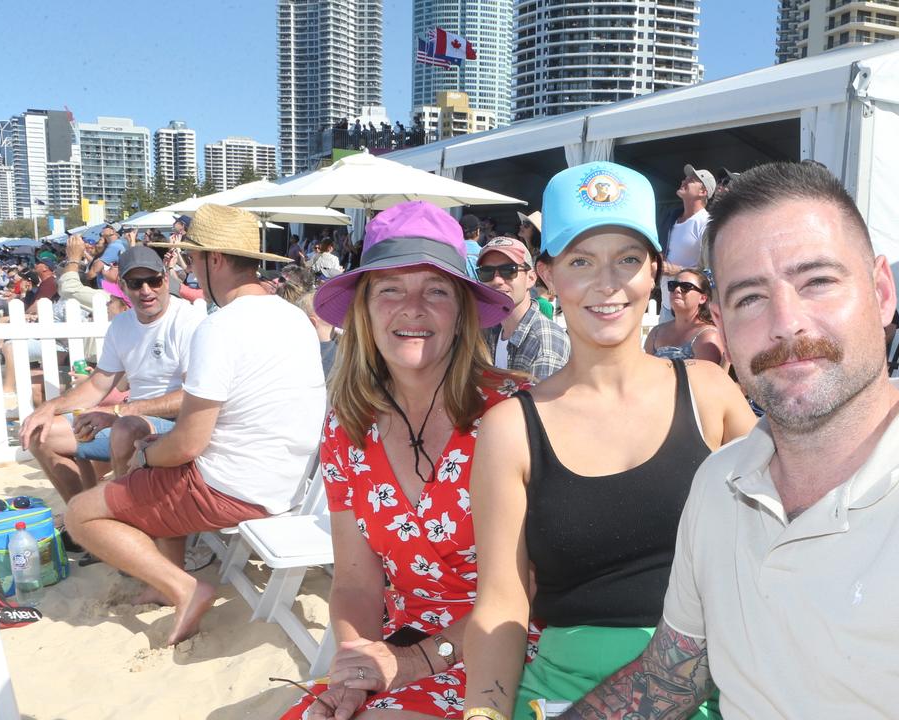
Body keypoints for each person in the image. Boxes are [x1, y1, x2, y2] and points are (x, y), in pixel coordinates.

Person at [554, 160, 899, 719]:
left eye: (817, 282)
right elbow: (668, 679)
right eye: (750, 298)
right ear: (722, 324)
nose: (787, 322)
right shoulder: (721, 481)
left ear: (882, 292)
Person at [463, 161, 757, 720]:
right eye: (580, 261)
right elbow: (502, 598)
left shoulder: (708, 394)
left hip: (711, 683)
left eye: (626, 259)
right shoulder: (511, 429)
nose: (607, 283)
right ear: (547, 275)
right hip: (563, 693)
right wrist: (485, 712)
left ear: (654, 271)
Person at [280, 202, 534, 720]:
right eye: (390, 289)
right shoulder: (347, 426)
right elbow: (354, 580)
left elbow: (534, 584)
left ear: (462, 311)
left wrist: (419, 661)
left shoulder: (513, 415)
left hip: (508, 645)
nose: (412, 307)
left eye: (436, 290)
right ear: (364, 310)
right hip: (401, 643)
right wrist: (353, 667)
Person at [64, 203, 325, 645]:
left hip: (234, 489)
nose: (190, 269)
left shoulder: (219, 327)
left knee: (80, 514)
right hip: (290, 484)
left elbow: (187, 444)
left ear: (215, 260)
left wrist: (143, 456)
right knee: (161, 467)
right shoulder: (293, 318)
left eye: (193, 259)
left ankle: (184, 587)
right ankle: (171, 580)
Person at [20, 246, 205, 504]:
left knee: (125, 428)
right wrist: (49, 407)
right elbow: (97, 384)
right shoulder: (122, 324)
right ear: (122, 285)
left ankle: (118, 518)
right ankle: (84, 519)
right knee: (42, 433)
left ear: (165, 278)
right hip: (134, 418)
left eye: (153, 281)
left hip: (177, 424)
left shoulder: (187, 320)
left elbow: (193, 397)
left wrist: (120, 412)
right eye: (136, 282)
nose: (146, 290)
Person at [477, 236, 570, 381]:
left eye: (509, 270)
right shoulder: (489, 331)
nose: (496, 280)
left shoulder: (544, 343)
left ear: (531, 278)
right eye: (487, 272)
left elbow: (538, 404)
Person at [661, 164, 713, 319]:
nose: (684, 180)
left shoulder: (707, 223)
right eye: (686, 177)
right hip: (666, 305)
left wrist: (675, 270)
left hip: (691, 311)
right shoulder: (670, 219)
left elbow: (711, 271)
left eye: (692, 180)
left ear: (703, 192)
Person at [644, 267, 725, 367]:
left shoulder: (708, 337)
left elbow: (705, 380)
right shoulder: (656, 333)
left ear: (703, 298)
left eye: (686, 286)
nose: (677, 290)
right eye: (673, 285)